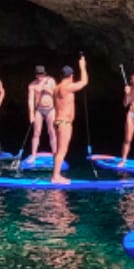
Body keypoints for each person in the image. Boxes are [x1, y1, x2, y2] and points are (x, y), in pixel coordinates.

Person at [48, 55, 89, 183]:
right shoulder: (67, 87)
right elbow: (84, 82)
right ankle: (56, 177)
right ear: (71, 76)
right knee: (62, 151)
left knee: (58, 151)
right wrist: (83, 67)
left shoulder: (56, 88)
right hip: (64, 123)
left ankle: (55, 174)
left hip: (57, 121)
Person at [27, 65, 58, 162]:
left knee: (52, 132)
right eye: (39, 74)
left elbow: (57, 95)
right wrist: (31, 114)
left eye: (42, 74)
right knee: (36, 132)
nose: (40, 76)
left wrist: (47, 90)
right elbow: (30, 101)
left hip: (50, 109)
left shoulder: (51, 81)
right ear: (36, 75)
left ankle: (55, 155)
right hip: (39, 110)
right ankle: (33, 155)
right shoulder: (32, 85)